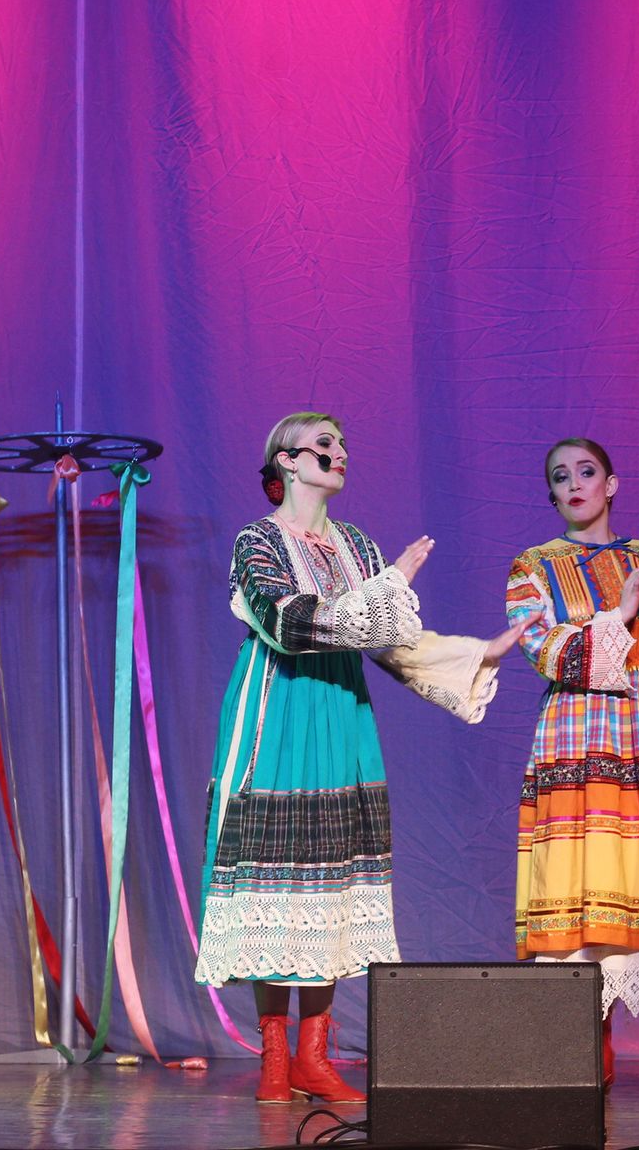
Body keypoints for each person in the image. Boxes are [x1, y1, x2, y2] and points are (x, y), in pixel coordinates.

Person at [194, 412, 529, 1105]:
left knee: (331, 872)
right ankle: (275, 1060)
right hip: (279, 704)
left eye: (344, 444)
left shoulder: (355, 545)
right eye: (324, 444)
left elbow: (389, 639)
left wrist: (477, 653)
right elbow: (288, 622)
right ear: (287, 460)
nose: (339, 452)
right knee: (274, 872)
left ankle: (313, 1056)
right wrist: (388, 584)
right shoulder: (258, 540)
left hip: (340, 711)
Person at [506, 438, 639, 1089]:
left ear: (611, 483)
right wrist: (617, 618)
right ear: (551, 495)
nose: (574, 483)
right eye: (560, 476)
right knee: (585, 874)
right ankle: (590, 1041)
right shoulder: (533, 567)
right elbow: (542, 648)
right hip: (576, 730)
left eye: (586, 471)